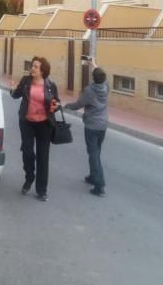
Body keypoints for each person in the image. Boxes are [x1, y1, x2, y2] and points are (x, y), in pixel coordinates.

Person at [11, 56, 60, 202]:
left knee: (43, 157)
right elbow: (16, 95)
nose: (32, 68)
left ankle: (41, 190)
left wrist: (55, 106)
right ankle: (29, 177)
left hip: (45, 124)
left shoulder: (51, 85)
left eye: (35, 67)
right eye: (32, 66)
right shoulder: (26, 81)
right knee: (27, 152)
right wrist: (13, 90)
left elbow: (56, 102)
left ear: (42, 70)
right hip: (27, 122)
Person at [64, 63, 109, 197]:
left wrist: (67, 106)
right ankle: (92, 176)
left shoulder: (89, 90)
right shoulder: (106, 87)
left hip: (92, 126)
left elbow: (79, 104)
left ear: (93, 78)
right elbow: (102, 76)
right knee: (96, 152)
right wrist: (95, 65)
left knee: (93, 153)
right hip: (103, 126)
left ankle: (99, 185)